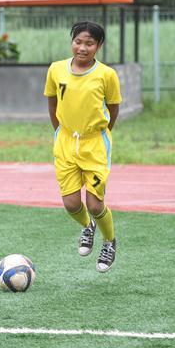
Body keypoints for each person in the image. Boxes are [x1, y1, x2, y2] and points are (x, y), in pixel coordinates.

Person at [44, 21, 121, 272]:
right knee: (71, 204)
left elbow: (113, 107)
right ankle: (87, 226)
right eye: (78, 41)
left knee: (95, 203)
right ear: (72, 42)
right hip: (65, 142)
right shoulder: (56, 70)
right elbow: (52, 102)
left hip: (94, 145)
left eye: (89, 43)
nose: (82, 48)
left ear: (98, 46)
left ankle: (109, 241)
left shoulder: (106, 75)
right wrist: (59, 130)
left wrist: (101, 131)